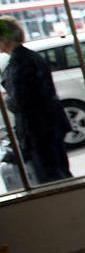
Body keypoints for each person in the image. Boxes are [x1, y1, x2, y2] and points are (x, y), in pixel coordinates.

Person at [0, 16, 72, 185]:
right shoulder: (32, 56)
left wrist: (6, 99)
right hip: (50, 124)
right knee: (61, 171)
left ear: (4, 39)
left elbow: (20, 101)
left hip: (37, 129)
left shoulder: (19, 63)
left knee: (51, 178)